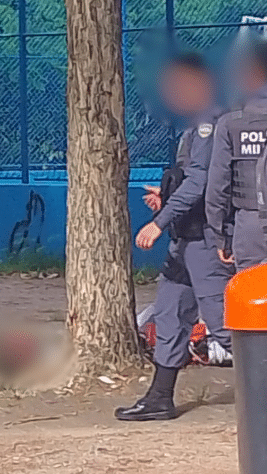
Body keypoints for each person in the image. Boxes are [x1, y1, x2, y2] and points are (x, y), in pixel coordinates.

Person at [115, 53, 234, 422]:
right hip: (185, 239)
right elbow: (188, 180)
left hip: (206, 239)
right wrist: (165, 198)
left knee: (225, 326)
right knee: (169, 312)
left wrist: (159, 221)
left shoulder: (212, 123)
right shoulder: (195, 124)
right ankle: (159, 398)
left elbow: (200, 183)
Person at [206, 40, 267, 272]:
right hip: (250, 220)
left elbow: (217, 185)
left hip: (250, 225)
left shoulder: (230, 124)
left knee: (251, 289)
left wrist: (220, 235)